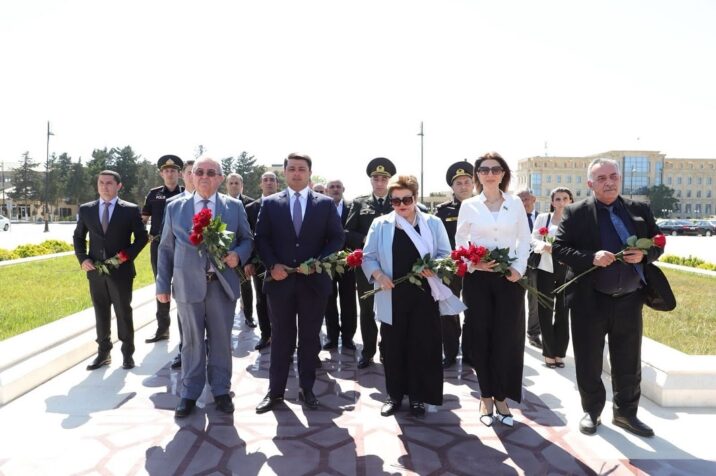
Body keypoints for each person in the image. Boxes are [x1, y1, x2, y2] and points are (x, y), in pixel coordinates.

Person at [553, 158, 662, 437]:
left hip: (629, 299)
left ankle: (626, 414)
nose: (609, 182)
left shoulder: (639, 210)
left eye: (613, 176)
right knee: (589, 360)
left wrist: (645, 254)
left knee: (628, 361)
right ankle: (592, 411)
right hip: (589, 301)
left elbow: (658, 241)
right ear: (590, 183)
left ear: (620, 179)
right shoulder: (575, 212)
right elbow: (560, 249)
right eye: (601, 178)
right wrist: (591, 258)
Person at [156, 157, 253, 418]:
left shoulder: (234, 207)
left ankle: (221, 390)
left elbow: (247, 239)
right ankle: (189, 392)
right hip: (187, 286)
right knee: (191, 342)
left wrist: (238, 254)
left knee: (221, 341)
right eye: (199, 171)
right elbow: (165, 248)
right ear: (191, 176)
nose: (204, 176)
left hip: (221, 286)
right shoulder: (175, 207)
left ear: (220, 178)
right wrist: (162, 285)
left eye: (211, 172)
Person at [362, 175, 464, 417]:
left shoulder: (433, 223)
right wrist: (378, 275)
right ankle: (394, 396)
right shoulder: (380, 224)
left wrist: (434, 266)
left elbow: (445, 254)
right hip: (392, 293)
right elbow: (368, 256)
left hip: (424, 294)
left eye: (406, 199)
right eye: (395, 201)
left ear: (415, 198)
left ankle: (419, 396)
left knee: (423, 346)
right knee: (393, 346)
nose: (401, 205)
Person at [254, 153, 344, 413]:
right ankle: (275, 392)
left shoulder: (325, 204)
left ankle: (307, 389)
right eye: (291, 168)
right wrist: (272, 265)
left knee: (309, 338)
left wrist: (319, 261)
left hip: (313, 282)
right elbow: (261, 238)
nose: (296, 173)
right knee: (281, 337)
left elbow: (336, 238)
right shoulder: (270, 204)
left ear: (309, 173)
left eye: (301, 169)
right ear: (284, 172)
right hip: (280, 281)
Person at [455, 152, 531, 427]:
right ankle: (486, 396)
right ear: (477, 174)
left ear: (503, 173)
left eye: (495, 169)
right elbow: (460, 241)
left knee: (506, 339)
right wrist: (472, 263)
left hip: (508, 279)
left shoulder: (515, 203)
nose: (490, 174)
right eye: (484, 169)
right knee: (481, 337)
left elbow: (524, 239)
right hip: (478, 280)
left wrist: (518, 269)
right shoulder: (470, 205)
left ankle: (502, 397)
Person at [73, 170, 149, 370]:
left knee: (123, 312)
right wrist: (83, 258)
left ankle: (127, 354)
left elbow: (142, 238)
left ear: (118, 186)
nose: (104, 186)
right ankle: (103, 353)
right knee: (101, 312)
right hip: (96, 272)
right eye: (101, 183)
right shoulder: (87, 209)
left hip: (121, 272)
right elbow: (78, 237)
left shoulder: (130, 210)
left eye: (109, 183)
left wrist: (125, 256)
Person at [345, 157, 396, 369]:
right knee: (366, 309)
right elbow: (348, 232)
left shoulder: (398, 201)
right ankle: (368, 351)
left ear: (389, 180)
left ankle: (387, 349)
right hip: (367, 265)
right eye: (376, 178)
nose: (380, 182)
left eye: (384, 179)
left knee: (389, 308)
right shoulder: (360, 203)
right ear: (371, 180)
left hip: (393, 264)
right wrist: (366, 239)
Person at [435, 160, 474, 368]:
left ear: (473, 184)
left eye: (467, 182)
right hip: (451, 269)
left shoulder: (482, 207)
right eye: (459, 183)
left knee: (473, 311)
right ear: (452, 186)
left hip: (477, 268)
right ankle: (450, 352)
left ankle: (469, 352)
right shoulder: (442, 211)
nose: (463, 186)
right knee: (449, 310)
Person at [142, 155, 184, 343]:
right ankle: (162, 329)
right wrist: (143, 236)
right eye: (166, 171)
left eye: (173, 170)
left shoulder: (187, 193)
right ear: (161, 174)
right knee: (161, 285)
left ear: (179, 173)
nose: (170, 173)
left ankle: (186, 329)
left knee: (185, 287)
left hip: (182, 246)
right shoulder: (153, 194)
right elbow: (143, 219)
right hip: (159, 246)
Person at [530, 187, 573, 369]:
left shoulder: (575, 219)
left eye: (565, 198)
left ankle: (559, 353)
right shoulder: (543, 218)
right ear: (552, 202)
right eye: (558, 199)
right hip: (546, 267)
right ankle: (548, 353)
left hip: (567, 269)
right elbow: (532, 238)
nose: (561, 202)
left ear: (570, 200)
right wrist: (544, 246)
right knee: (545, 309)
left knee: (563, 311)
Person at [244, 171, 279, 351]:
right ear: (260, 184)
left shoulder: (285, 204)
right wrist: (248, 261)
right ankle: (266, 335)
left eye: (272, 180)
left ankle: (283, 336)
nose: (269, 182)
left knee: (283, 300)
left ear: (277, 184)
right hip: (259, 262)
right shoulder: (251, 208)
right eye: (265, 180)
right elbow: (247, 236)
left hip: (282, 262)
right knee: (261, 298)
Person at [166, 159, 195, 370]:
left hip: (210, 273)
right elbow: (166, 243)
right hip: (183, 272)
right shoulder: (173, 204)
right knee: (183, 316)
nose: (194, 176)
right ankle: (184, 349)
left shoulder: (216, 203)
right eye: (189, 172)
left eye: (197, 172)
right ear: (183, 176)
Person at [322, 179, 357, 350]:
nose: (335, 189)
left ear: (344, 189)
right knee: (329, 300)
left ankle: (348, 337)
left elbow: (357, 231)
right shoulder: (321, 207)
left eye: (338, 187)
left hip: (348, 262)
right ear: (326, 190)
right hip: (327, 263)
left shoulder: (354, 207)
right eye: (332, 187)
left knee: (348, 300)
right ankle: (332, 337)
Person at [226, 172, 257, 329]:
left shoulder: (251, 204)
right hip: (225, 254)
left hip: (244, 253)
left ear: (242, 186)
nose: (234, 186)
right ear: (226, 185)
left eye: (236, 183)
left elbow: (252, 232)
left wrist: (249, 259)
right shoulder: (221, 203)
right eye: (231, 183)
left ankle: (248, 316)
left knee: (245, 284)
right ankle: (226, 318)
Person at [517, 189, 542, 349]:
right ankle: (515, 333)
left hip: (536, 266)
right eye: (520, 200)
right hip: (516, 266)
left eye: (526, 199)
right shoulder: (513, 218)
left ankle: (533, 334)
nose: (524, 203)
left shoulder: (542, 218)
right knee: (515, 301)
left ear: (534, 199)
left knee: (535, 302)